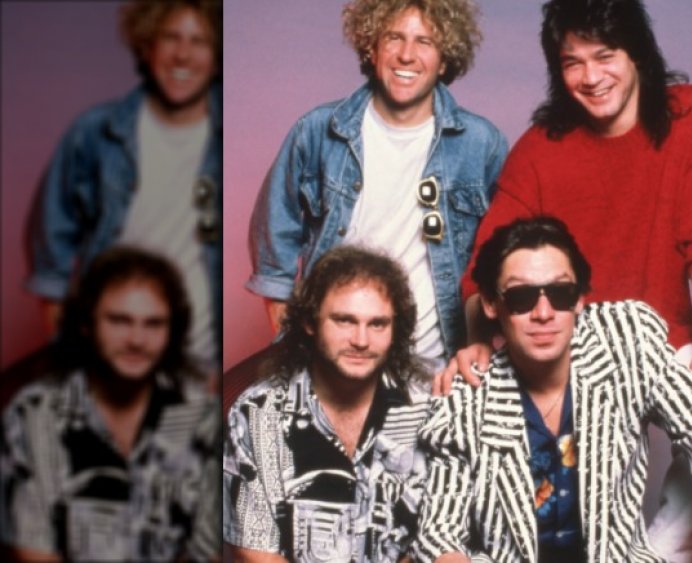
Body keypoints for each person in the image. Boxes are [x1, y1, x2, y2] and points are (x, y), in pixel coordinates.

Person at [439, 1, 692, 560]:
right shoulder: (540, 146)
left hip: (663, 336)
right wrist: (473, 345)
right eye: (572, 63)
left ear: (636, 53)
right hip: (572, 339)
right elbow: (484, 264)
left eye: (604, 56)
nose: (590, 77)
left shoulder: (691, 112)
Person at [415, 216, 692, 563]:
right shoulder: (467, 397)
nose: (544, 312)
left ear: (580, 299)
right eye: (521, 298)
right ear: (492, 304)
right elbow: (440, 530)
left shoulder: (624, 339)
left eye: (560, 293)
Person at [246, 0, 507, 384]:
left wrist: (477, 342)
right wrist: (297, 350)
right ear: (372, 47)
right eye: (394, 37)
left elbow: (497, 260)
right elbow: (273, 256)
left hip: (433, 373)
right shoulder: (318, 132)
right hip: (332, 372)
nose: (406, 54)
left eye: (425, 42)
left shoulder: (481, 144)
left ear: (446, 58)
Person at [25, 0, 223, 375]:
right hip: (109, 356)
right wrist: (74, 358)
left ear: (217, 57)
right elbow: (51, 259)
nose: (183, 54)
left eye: (200, 40)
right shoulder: (94, 133)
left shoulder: (228, 138)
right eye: (170, 37)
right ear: (147, 46)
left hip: (200, 359)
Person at [1, 247, 220, 561]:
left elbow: (209, 551)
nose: (136, 339)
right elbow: (35, 551)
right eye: (120, 320)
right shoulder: (35, 414)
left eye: (154, 323)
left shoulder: (200, 415)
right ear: (87, 324)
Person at [224, 246, 433, 562]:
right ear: (310, 322)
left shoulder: (426, 409)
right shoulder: (257, 412)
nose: (361, 340)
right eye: (344, 321)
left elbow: (434, 540)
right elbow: (256, 550)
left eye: (377, 324)